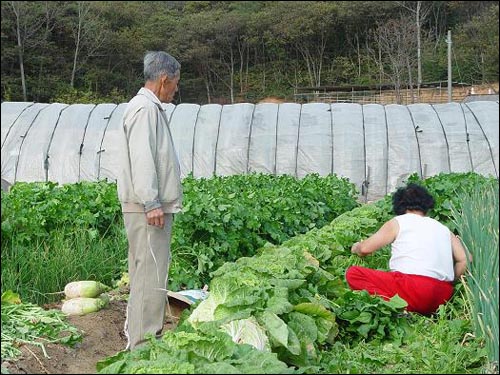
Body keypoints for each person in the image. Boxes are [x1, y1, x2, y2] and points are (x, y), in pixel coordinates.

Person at [116, 51, 182, 350]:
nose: (176, 90)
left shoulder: (147, 107)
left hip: (146, 207)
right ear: (164, 80)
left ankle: (140, 338)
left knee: (145, 271)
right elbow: (143, 158)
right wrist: (152, 202)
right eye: (176, 83)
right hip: (147, 209)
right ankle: (144, 346)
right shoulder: (145, 109)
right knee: (149, 274)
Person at [345, 183, 469, 315]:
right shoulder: (444, 229)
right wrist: (451, 278)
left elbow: (365, 249)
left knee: (353, 273)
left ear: (399, 205)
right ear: (426, 205)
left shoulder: (399, 222)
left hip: (412, 287)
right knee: (419, 291)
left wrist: (356, 247)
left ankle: (396, 308)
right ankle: (414, 309)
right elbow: (465, 259)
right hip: (442, 297)